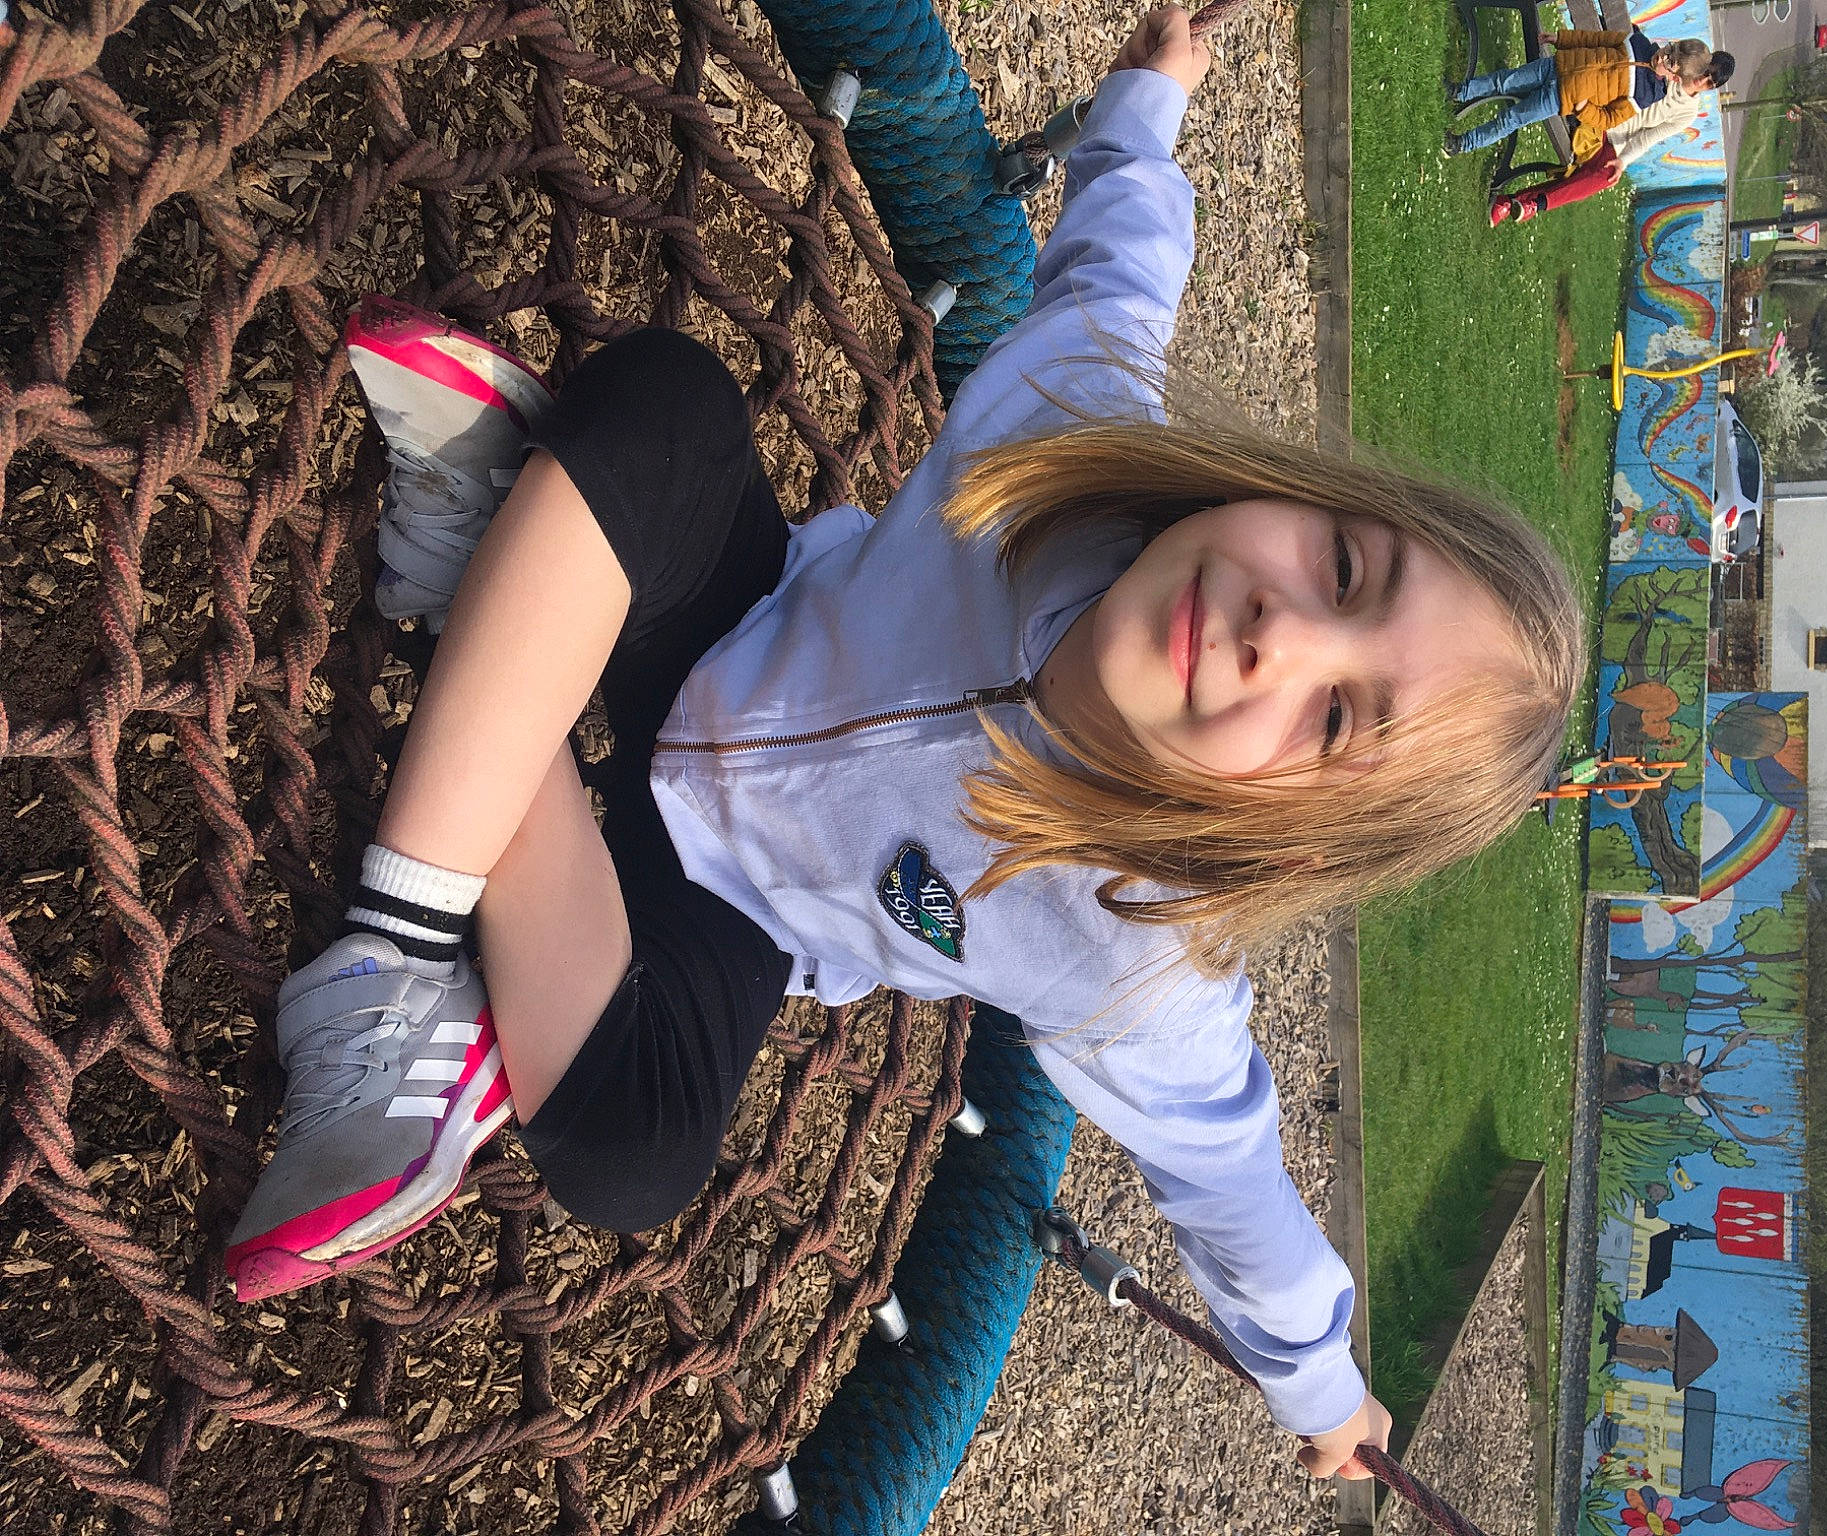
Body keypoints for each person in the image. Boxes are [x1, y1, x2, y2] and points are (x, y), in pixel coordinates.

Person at [224, 5, 1584, 1480]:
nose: (1281, 634)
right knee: (669, 407)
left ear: (1297, 838)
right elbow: (1121, 268)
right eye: (1342, 570)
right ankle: (403, 933)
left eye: (1337, 721)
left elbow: (1236, 1187)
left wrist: (1322, 1390)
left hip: (725, 913)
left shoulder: (1136, 960)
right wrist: (1147, 103)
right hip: (723, 624)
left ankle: (503, 606)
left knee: (637, 1152)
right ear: (1297, 496)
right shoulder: (1065, 424)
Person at [1487, 39, 1735, 227]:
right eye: (1705, 73)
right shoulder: (1667, 66)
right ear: (1701, 64)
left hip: (1614, 140)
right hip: (1596, 115)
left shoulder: (1688, 112)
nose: (1702, 81)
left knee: (1605, 176)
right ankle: (1514, 202)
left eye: (1709, 83)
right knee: (1591, 167)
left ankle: (1528, 204)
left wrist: (1623, 161)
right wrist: (1562, 39)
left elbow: (1648, 137)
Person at [1443, 28, 1716, 165]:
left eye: (1670, 62)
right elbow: (1595, 39)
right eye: (1670, 48)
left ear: (1675, 78)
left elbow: (1609, 119)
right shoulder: (1638, 42)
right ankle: (1459, 91)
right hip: (1556, 66)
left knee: (1510, 119)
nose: (1663, 56)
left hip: (1560, 99)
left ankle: (1463, 143)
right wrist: (1560, 39)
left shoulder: (1645, 96)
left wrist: (1585, 110)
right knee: (1504, 80)